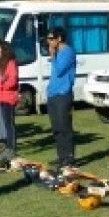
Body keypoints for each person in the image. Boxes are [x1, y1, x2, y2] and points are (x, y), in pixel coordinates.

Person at [46, 27, 77, 168]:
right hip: (53, 94)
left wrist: (53, 56)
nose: (49, 42)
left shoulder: (67, 52)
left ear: (59, 38)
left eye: (51, 39)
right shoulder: (58, 52)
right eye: (48, 39)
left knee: (65, 126)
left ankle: (69, 157)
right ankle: (61, 156)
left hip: (63, 94)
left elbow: (59, 70)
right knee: (56, 128)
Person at [0, 38, 18, 160]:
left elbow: (13, 79)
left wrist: (2, 85)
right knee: (5, 123)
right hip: (1, 96)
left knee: (9, 124)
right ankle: (7, 147)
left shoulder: (11, 62)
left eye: (0, 49)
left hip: (9, 96)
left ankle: (11, 148)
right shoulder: (1, 63)